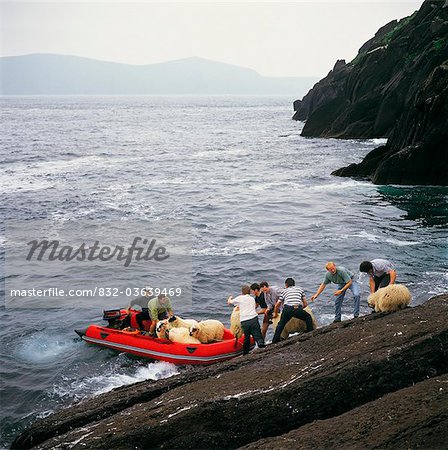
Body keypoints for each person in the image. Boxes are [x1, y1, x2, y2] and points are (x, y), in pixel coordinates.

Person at [272, 278, 313, 344]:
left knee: (281, 324)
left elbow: (277, 304)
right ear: (294, 284)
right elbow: (305, 304)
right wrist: (299, 309)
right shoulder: (300, 289)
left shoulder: (284, 291)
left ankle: (275, 340)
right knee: (308, 317)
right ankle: (310, 332)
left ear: (286, 285)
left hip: (287, 309)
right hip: (297, 308)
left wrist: (275, 313)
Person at [227, 285, 265, 355]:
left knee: (246, 336)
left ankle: (245, 351)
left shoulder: (240, 298)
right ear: (250, 291)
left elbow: (230, 302)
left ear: (242, 292)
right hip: (254, 318)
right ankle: (260, 343)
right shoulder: (252, 299)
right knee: (257, 333)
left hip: (245, 320)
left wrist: (230, 298)